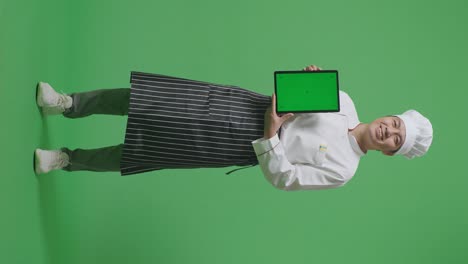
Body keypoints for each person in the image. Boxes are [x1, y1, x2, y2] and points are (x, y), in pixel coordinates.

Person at [34, 65, 433, 191]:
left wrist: (271, 134)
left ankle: (65, 160)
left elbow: (287, 179)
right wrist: (302, 80)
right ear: (389, 116)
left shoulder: (344, 170)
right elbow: (290, 96)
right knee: (150, 96)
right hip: (239, 103)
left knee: (149, 149)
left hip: (238, 145)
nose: (390, 132)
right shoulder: (343, 100)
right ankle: (68, 103)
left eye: (396, 141)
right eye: (395, 125)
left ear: (389, 152)